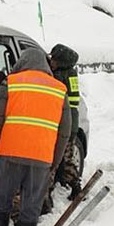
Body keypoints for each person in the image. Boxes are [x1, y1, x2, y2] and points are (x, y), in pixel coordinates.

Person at [0, 47, 71, 226]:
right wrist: (54, 161)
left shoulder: (11, 83)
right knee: (30, 207)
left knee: (2, 202)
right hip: (41, 158)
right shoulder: (60, 90)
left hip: (9, 154)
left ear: (22, 62)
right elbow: (64, 133)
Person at [45, 43, 82, 208]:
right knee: (56, 160)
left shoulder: (68, 75)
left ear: (61, 61)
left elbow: (73, 100)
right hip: (57, 123)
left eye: (53, 59)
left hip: (66, 124)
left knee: (63, 160)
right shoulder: (58, 72)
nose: (51, 61)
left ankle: (75, 188)